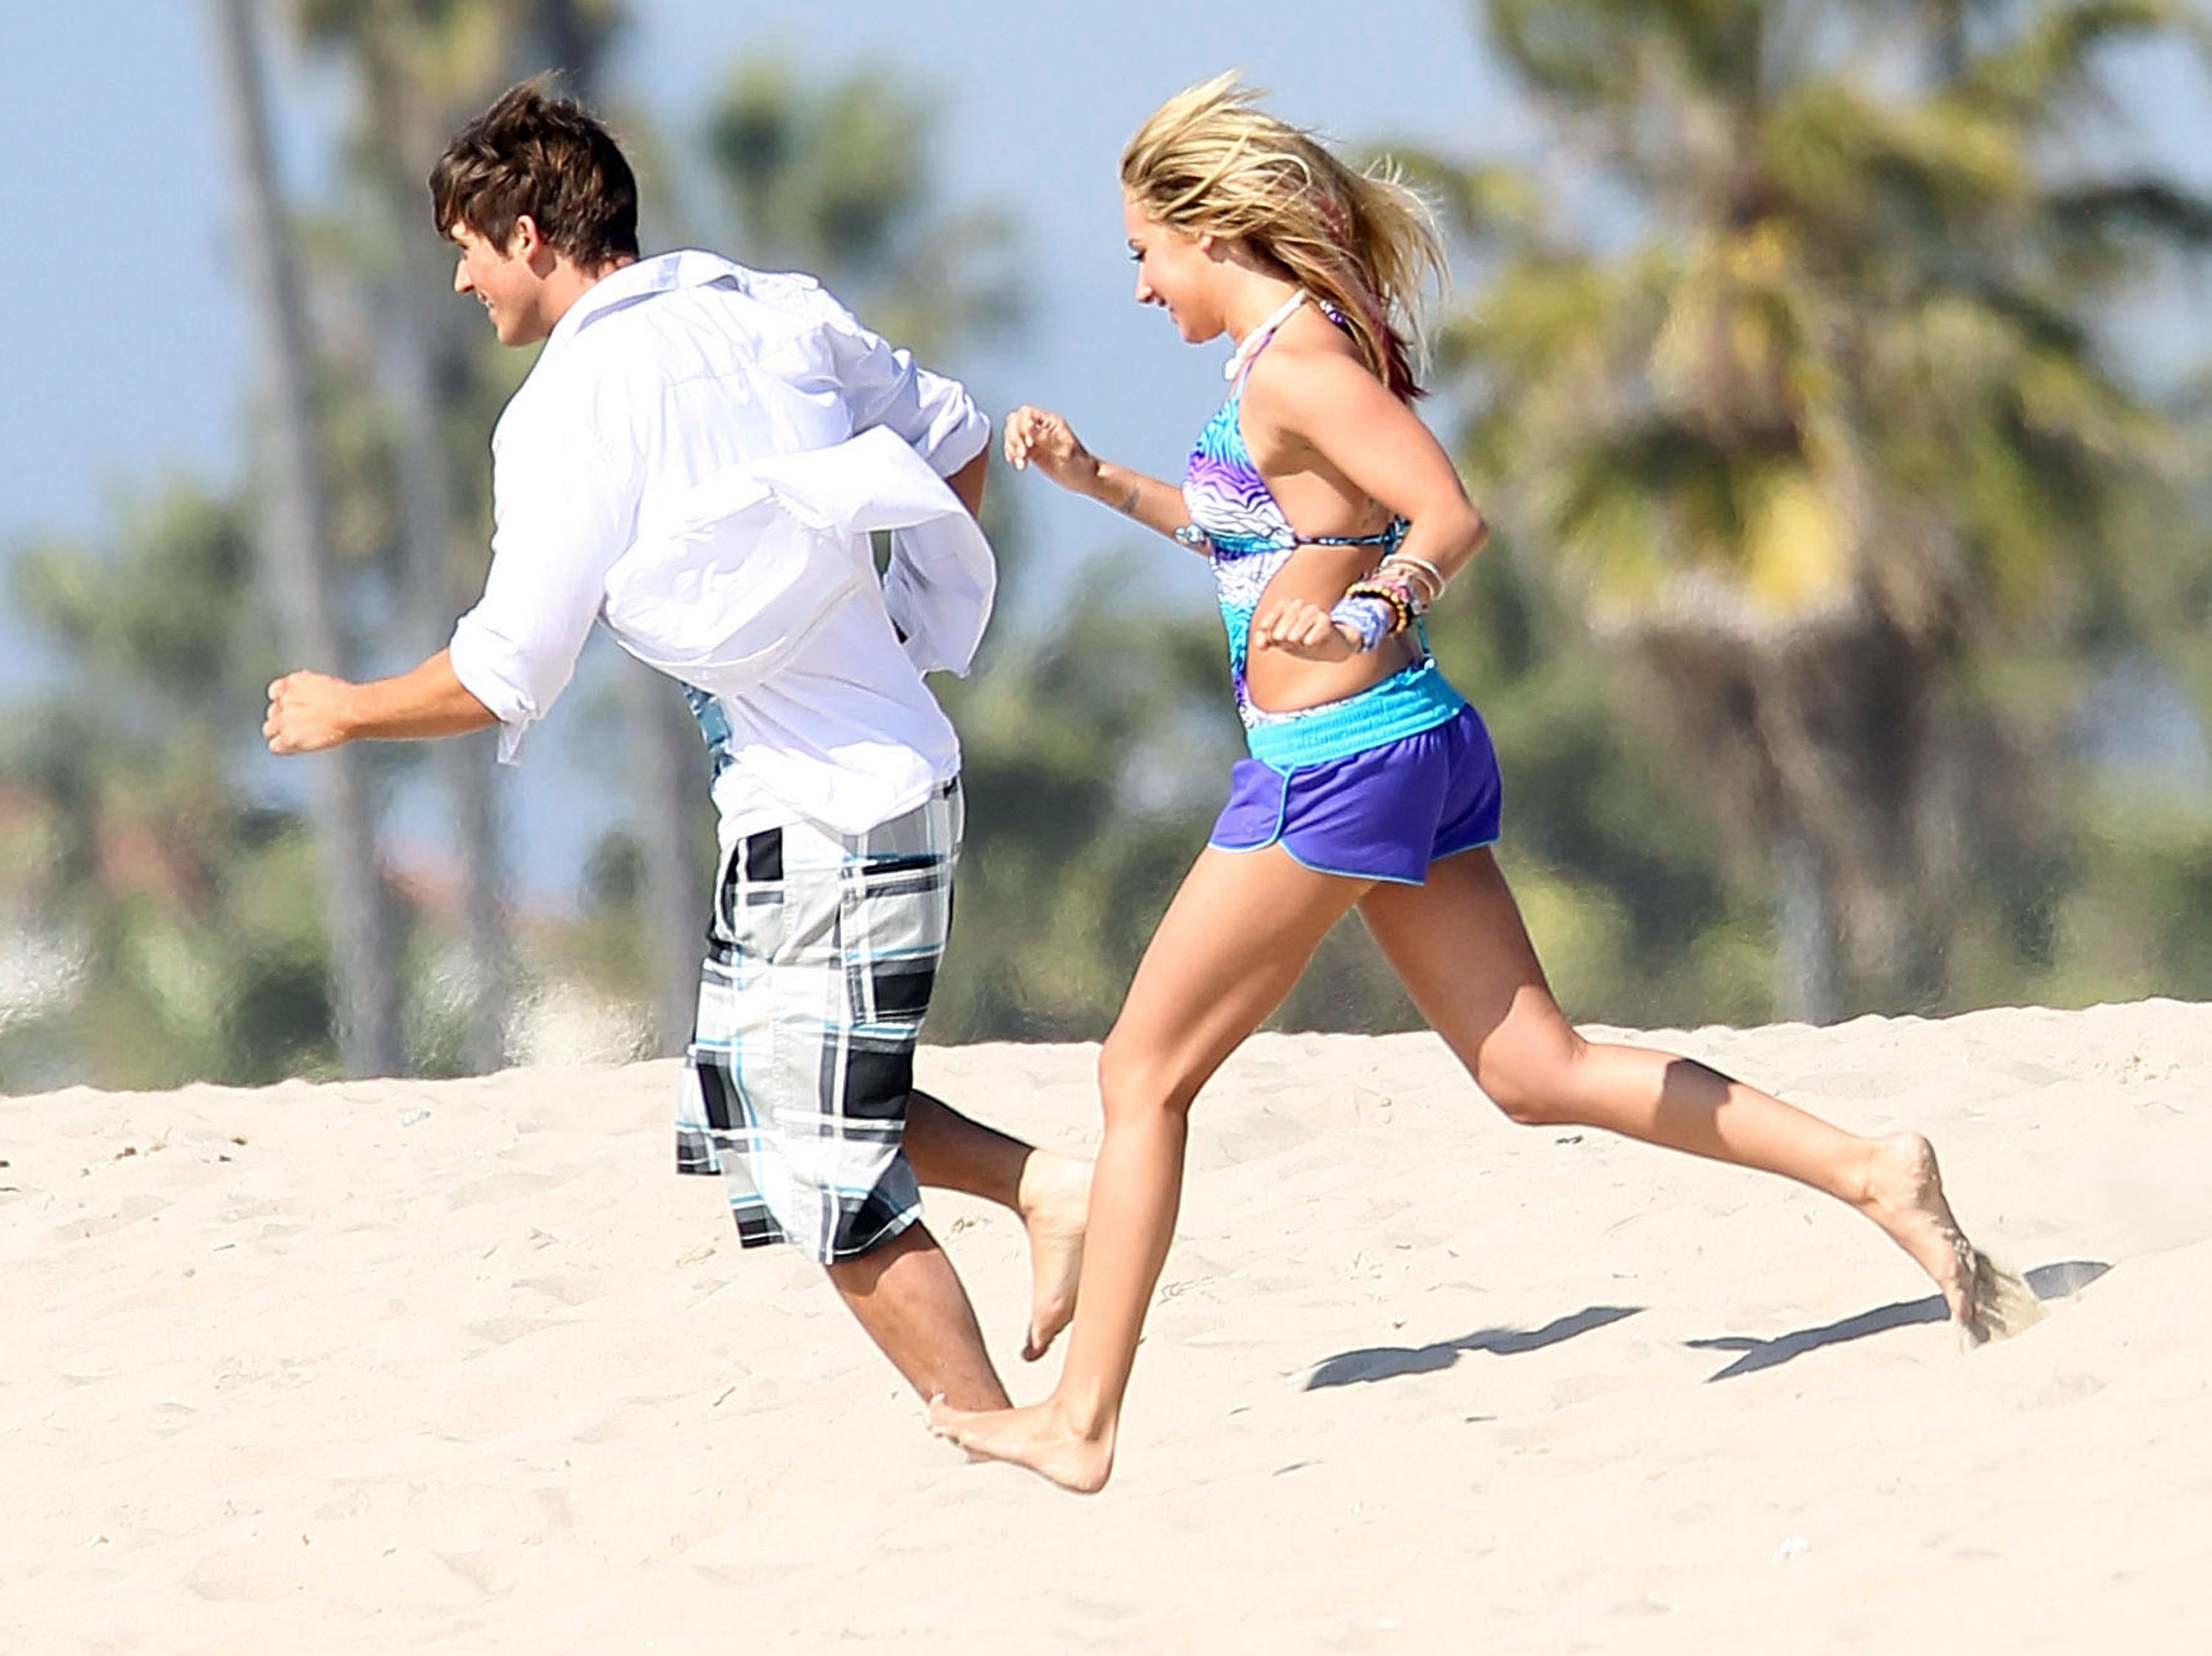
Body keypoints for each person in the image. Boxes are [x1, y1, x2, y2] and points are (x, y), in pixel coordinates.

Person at [928, 74, 2039, 1492]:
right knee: (1533, 1070)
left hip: (1339, 767)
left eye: (1146, 252)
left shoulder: (1296, 365)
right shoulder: (1288, 357)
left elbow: (1447, 512)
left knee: (1138, 1074)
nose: (1141, 286)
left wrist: (1369, 612)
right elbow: (1257, 533)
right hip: (1396, 750)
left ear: (1208, 229)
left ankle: (1080, 1422)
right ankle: (1875, 1170)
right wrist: (1097, 479)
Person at [262, 80, 1088, 1413]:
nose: (463, 282)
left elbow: (506, 668)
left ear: (530, 235)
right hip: (844, 785)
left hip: (837, 811)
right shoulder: (776, 308)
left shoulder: (566, 408)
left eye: (469, 250)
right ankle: (1045, 1189)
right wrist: (904, 628)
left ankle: (998, 1435)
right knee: (759, 1098)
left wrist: (343, 709)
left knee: (820, 1165)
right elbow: (957, 441)